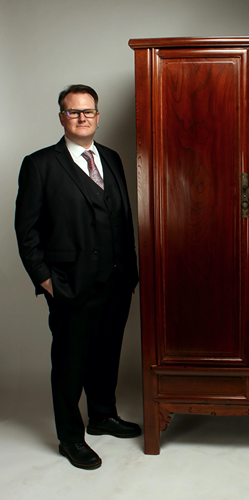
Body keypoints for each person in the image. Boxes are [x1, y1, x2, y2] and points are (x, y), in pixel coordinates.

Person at [15, 84, 141, 470]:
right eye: (74, 112)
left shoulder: (112, 158)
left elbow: (120, 217)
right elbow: (27, 231)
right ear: (62, 117)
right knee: (70, 364)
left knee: (106, 356)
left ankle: (102, 416)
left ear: (98, 117)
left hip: (117, 281)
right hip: (70, 284)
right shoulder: (39, 164)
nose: (82, 117)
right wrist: (45, 280)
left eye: (88, 111)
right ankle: (71, 437)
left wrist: (131, 270)